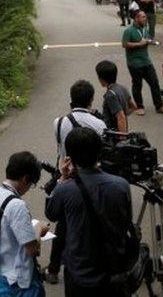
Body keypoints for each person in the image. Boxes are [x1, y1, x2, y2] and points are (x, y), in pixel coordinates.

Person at [46, 128, 133, 297]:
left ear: (70, 157)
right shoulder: (121, 185)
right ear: (99, 151)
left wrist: (62, 179)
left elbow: (51, 213)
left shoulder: (65, 190)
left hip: (79, 273)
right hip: (113, 270)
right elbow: (125, 220)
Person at [45, 80, 107, 284]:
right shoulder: (100, 125)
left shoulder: (59, 122)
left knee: (63, 224)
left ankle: (53, 269)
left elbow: (59, 147)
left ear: (71, 99)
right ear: (91, 99)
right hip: (91, 175)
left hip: (67, 176)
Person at [0, 152, 49, 296]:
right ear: (25, 179)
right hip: (17, 283)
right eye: (31, 183)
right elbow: (32, 249)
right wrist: (39, 229)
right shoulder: (17, 206)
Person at [121, 11, 163, 115]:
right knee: (137, 85)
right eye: (143, 17)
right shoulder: (129, 31)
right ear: (136, 18)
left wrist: (149, 42)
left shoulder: (144, 29)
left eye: (145, 17)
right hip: (134, 63)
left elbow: (146, 40)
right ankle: (139, 107)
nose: (145, 19)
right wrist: (139, 44)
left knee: (154, 83)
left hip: (146, 61)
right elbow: (125, 44)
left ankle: (159, 106)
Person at [95, 60, 139, 131]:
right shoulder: (122, 88)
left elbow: (120, 116)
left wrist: (122, 137)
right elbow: (133, 107)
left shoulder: (110, 95)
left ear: (101, 79)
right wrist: (124, 113)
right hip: (123, 129)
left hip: (114, 133)